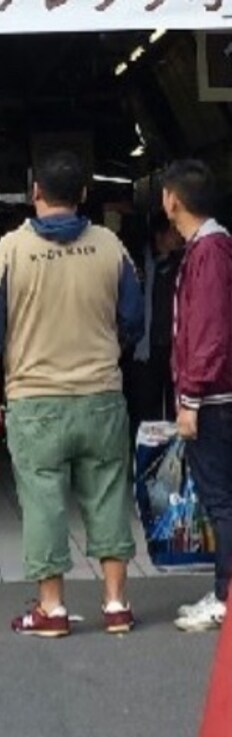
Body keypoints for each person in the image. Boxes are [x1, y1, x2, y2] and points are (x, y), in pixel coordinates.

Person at [0, 150, 145, 637]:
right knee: (108, 495)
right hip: (101, 396)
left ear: (35, 193)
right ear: (84, 194)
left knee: (43, 502)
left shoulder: (11, 250)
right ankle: (116, 603)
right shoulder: (110, 246)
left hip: (35, 400)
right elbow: (134, 320)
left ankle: (52, 608)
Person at [161, 160, 232, 634]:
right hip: (219, 394)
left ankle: (226, 598)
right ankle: (224, 591)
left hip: (214, 399)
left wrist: (190, 398)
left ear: (173, 200)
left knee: (221, 501)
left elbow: (209, 330)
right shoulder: (214, 248)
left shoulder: (209, 252)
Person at [129, 211, 182, 428]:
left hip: (172, 346)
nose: (178, 236)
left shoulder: (182, 263)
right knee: (144, 408)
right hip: (144, 348)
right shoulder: (137, 262)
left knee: (173, 408)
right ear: (159, 235)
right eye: (173, 231)